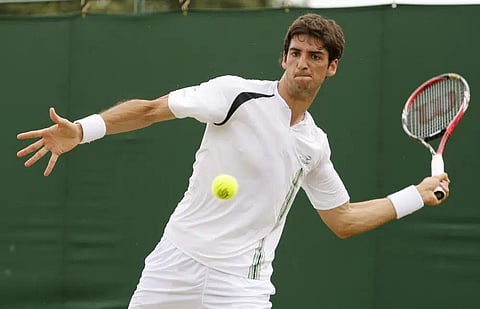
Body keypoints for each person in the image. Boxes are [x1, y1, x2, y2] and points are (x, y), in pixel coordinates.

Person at [17, 13, 450, 309]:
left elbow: (343, 219)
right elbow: (151, 109)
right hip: (176, 260)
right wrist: (83, 130)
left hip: (241, 285)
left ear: (331, 67)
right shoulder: (234, 94)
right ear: (283, 57)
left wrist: (415, 194)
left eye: (315, 57)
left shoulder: (315, 145)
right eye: (296, 53)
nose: (302, 63)